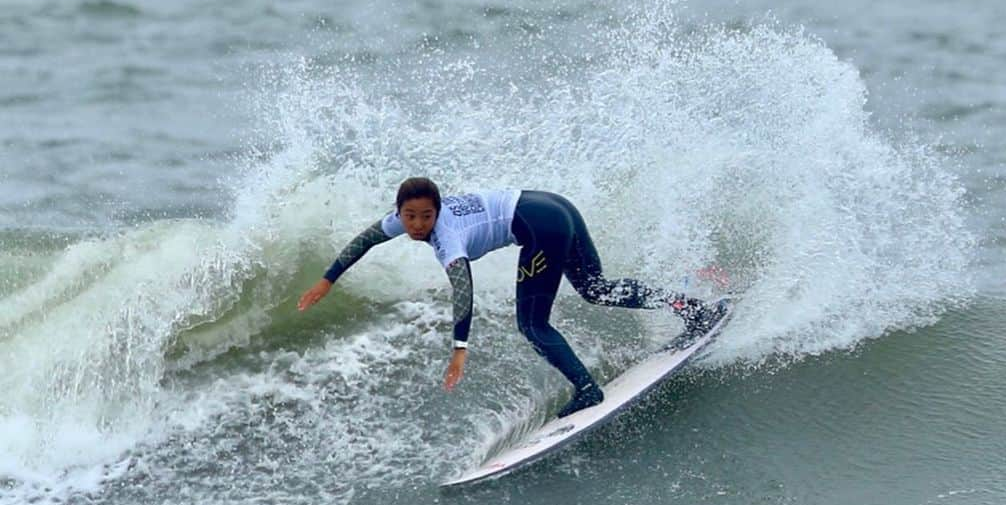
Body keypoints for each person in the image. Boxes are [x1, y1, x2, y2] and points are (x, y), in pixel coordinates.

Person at [297, 178, 723, 417]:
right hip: (555, 205)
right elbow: (366, 239)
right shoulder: (401, 220)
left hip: (542, 228)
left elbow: (463, 288)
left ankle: (587, 390)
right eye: (410, 216)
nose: (418, 225)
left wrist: (459, 348)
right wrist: (327, 279)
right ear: (399, 211)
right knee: (597, 289)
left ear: (439, 211)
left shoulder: (447, 238)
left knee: (532, 325)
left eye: (427, 215)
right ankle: (695, 309)